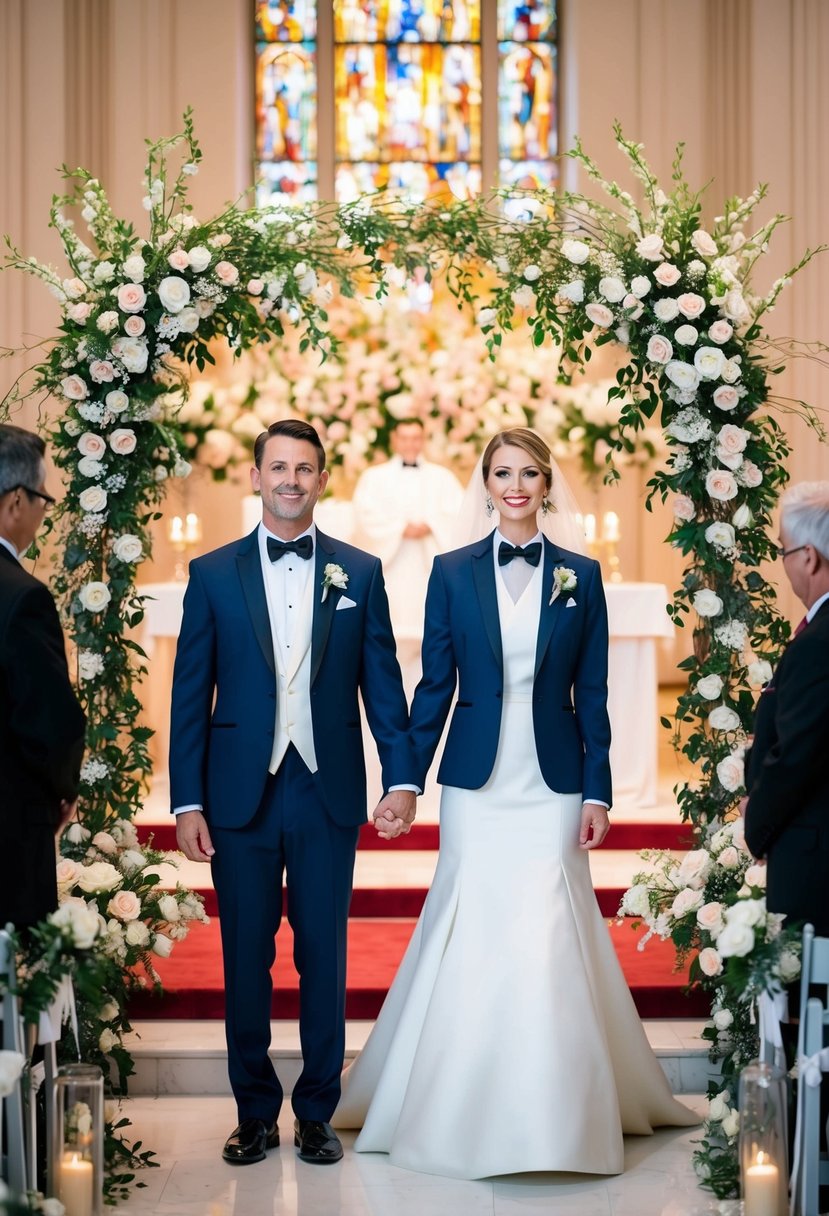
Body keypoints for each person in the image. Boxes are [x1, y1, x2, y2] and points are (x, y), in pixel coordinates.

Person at [335, 427, 696, 1178]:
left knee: (550, 929)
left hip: (554, 782)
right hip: (475, 784)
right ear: (486, 482)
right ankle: (451, 1106)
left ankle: (562, 1116)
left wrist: (598, 787)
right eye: (502, 473)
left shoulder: (580, 576)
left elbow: (590, 692)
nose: (515, 486)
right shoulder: (450, 572)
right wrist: (403, 780)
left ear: (546, 482)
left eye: (528, 473)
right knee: (470, 922)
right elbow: (433, 687)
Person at [169, 418, 417, 1168]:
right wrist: (187, 801)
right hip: (237, 796)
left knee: (324, 955)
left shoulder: (360, 572)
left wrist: (400, 777)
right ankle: (251, 1112)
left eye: (304, 468)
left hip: (325, 791)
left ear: (321, 479)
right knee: (244, 958)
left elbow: (383, 685)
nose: (290, 480)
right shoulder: (212, 574)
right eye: (278, 467)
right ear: (254, 476)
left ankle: (315, 1111)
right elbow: (190, 694)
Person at [0, 424, 85, 929]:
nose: (41, 511)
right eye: (41, 498)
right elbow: (50, 719)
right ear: (14, 502)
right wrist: (63, 784)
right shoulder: (21, 595)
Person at [744, 481, 829, 934]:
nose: (786, 566)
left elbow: (798, 752)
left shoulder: (818, 642)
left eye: (784, 551)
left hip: (814, 851)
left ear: (809, 557)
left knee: (809, 999)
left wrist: (756, 822)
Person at [351, 418, 463, 691]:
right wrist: (400, 527)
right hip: (392, 565)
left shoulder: (443, 477)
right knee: (388, 638)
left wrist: (431, 525)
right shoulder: (373, 477)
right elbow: (365, 515)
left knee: (430, 639)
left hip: (427, 566)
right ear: (394, 440)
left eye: (416, 437)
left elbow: (459, 513)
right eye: (405, 437)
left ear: (423, 440)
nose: (410, 443)